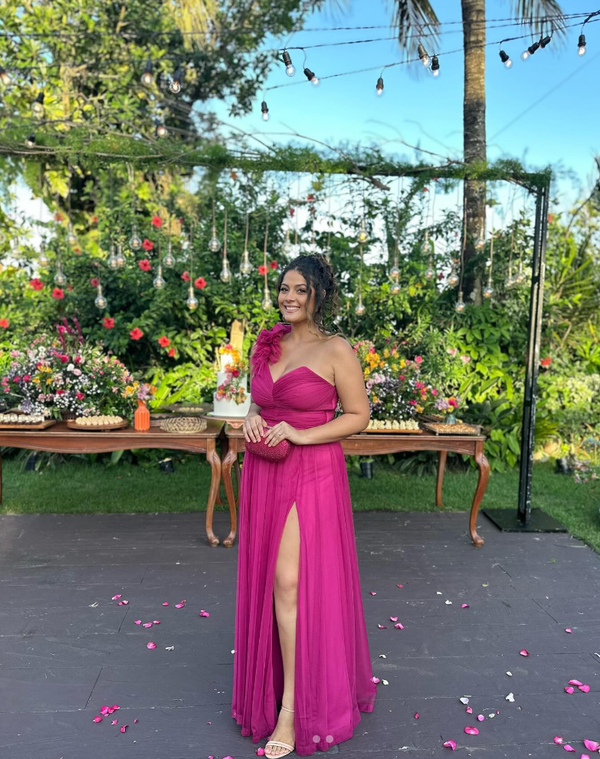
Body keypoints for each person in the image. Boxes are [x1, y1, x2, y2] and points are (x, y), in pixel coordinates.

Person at [231, 254, 377, 758]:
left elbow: (358, 415)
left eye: (299, 290)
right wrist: (253, 417)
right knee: (272, 582)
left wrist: (300, 433)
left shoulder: (336, 349)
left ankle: (292, 710)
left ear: (319, 295)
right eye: (283, 289)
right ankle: (274, 690)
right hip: (264, 470)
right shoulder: (267, 343)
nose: (288, 298)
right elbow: (259, 402)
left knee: (290, 583)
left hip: (311, 471)